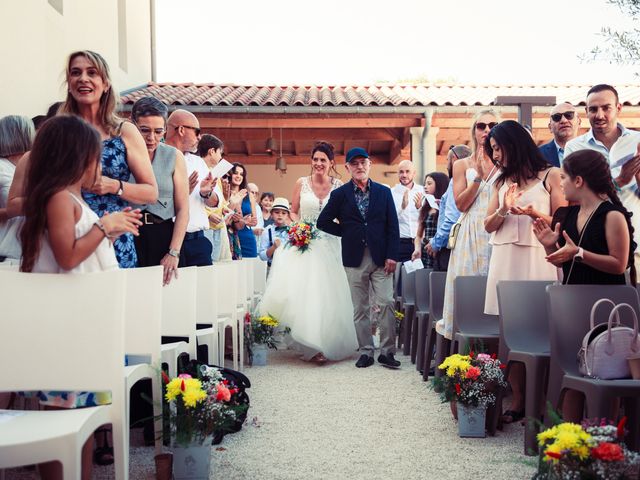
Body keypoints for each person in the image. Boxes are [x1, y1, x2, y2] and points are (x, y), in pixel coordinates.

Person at [19, 115, 142, 480]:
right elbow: (67, 255)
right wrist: (107, 226)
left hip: (82, 326)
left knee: (85, 419)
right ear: (75, 156)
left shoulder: (72, 198)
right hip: (64, 330)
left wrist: (110, 231)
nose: (100, 164)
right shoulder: (59, 198)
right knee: (60, 422)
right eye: (96, 155)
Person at [533, 149, 636, 423]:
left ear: (579, 181)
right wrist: (550, 247)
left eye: (564, 177)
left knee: (605, 370)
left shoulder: (612, 215)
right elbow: (567, 265)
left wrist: (578, 253)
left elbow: (619, 263)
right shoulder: (569, 215)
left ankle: (604, 437)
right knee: (572, 374)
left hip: (606, 309)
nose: (561, 182)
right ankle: (571, 442)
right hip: (574, 307)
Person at [482, 120, 565, 424]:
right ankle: (517, 400)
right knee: (511, 333)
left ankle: (544, 401)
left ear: (513, 145)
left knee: (544, 329)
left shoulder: (551, 175)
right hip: (505, 258)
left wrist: (532, 212)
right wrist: (504, 209)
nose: (496, 155)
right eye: (492, 150)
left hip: (538, 257)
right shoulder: (499, 182)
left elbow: (561, 220)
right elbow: (487, 224)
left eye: (497, 148)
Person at [260, 141, 358, 364]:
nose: (318, 163)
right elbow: (293, 212)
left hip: (331, 243)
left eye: (323, 160)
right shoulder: (301, 183)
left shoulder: (339, 185)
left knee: (330, 294)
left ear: (331, 163)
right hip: (306, 242)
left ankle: (328, 342)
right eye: (315, 159)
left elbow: (343, 216)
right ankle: (311, 346)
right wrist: (301, 228)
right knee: (308, 293)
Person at [63, 50, 157, 268]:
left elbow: (151, 193)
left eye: (92, 73)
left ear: (105, 84)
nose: (83, 78)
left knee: (112, 298)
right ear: (69, 83)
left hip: (114, 236)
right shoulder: (59, 130)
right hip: (69, 230)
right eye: (75, 73)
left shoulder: (124, 131)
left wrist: (113, 185)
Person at [317, 146, 400, 369]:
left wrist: (393, 255)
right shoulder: (340, 194)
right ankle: (366, 351)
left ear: (370, 164)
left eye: (363, 162)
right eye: (354, 163)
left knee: (387, 303)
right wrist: (347, 232)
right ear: (347, 168)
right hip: (354, 258)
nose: (359, 166)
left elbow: (393, 226)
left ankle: (387, 352)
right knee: (360, 308)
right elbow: (322, 222)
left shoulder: (384, 192)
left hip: (382, 258)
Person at [439, 110, 501, 341]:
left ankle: (495, 355)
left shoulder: (506, 163)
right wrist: (478, 178)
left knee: (496, 289)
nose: (486, 130)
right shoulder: (462, 164)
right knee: (468, 291)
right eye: (481, 125)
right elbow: (461, 204)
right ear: (474, 131)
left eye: (492, 125)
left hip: (498, 229)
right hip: (470, 232)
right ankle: (462, 357)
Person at [564, 84, 640, 273]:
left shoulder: (637, 142)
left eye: (606, 108)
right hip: (593, 244)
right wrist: (620, 180)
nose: (599, 115)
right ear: (586, 112)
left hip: (637, 240)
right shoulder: (575, 147)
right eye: (593, 109)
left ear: (619, 108)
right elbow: (574, 196)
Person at [130, 97, 188, 285]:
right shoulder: (121, 153)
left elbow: (183, 209)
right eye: (144, 130)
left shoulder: (174, 156)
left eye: (158, 131)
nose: (151, 138)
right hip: (127, 234)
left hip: (163, 236)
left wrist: (173, 252)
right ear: (133, 126)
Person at [165, 109, 219, 266]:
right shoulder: (158, 157)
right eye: (197, 132)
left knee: (204, 290)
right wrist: (182, 192)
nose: (200, 137)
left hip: (198, 241)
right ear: (181, 130)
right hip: (169, 241)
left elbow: (215, 202)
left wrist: (206, 194)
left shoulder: (198, 162)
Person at [0, 115, 34, 263]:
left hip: (34, 254)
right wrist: (12, 210)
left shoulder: (36, 165)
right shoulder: (2, 167)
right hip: (6, 255)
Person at [197, 134, 229, 263]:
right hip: (205, 227)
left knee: (215, 265)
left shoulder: (216, 173)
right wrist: (209, 215)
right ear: (212, 151)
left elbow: (218, 199)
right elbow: (193, 198)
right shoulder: (197, 169)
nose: (221, 157)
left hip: (218, 225)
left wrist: (225, 208)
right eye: (219, 153)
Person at [411, 171, 449, 268]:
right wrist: (417, 249)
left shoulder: (448, 207)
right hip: (426, 252)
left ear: (439, 185)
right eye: (425, 184)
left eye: (429, 183)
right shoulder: (426, 207)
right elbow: (418, 236)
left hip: (441, 252)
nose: (425, 186)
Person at [391, 160, 423, 262]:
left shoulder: (423, 191)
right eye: (401, 172)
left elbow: (429, 219)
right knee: (400, 276)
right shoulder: (391, 193)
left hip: (420, 244)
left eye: (407, 171)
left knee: (420, 276)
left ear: (414, 173)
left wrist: (420, 208)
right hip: (400, 243)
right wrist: (402, 207)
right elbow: (389, 220)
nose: (404, 175)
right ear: (397, 173)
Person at [228, 163, 258, 258]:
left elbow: (254, 221)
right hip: (230, 235)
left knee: (249, 270)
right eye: (236, 173)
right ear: (230, 174)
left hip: (247, 236)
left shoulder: (249, 195)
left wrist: (250, 221)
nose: (238, 176)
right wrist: (243, 220)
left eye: (241, 174)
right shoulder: (224, 192)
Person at [539, 102, 581, 167]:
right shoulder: (538, 155)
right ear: (550, 127)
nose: (564, 120)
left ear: (579, 122)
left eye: (569, 115)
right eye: (556, 117)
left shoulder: (592, 151)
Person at [257, 196, 291, 274]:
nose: (280, 215)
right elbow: (262, 256)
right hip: (272, 268)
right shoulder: (267, 231)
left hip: (289, 268)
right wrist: (273, 247)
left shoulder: (292, 231)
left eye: (283, 213)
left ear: (287, 215)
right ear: (271, 214)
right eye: (277, 212)